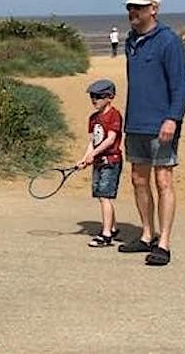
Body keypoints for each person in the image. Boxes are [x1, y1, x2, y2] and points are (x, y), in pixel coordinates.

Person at [118, 0, 185, 266]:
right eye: (129, 7)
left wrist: (173, 118)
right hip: (135, 121)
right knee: (138, 179)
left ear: (153, 9)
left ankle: (164, 243)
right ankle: (146, 234)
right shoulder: (131, 41)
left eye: (138, 7)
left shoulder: (169, 41)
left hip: (162, 124)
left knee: (163, 181)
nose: (132, 12)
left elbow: (181, 84)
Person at [76, 79, 124, 248]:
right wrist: (85, 157)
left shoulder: (114, 115)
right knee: (102, 196)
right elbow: (93, 141)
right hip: (98, 162)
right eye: (92, 97)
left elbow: (110, 140)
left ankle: (106, 235)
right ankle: (112, 227)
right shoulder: (94, 118)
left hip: (111, 161)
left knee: (105, 196)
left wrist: (94, 154)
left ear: (110, 97)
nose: (94, 100)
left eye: (98, 96)